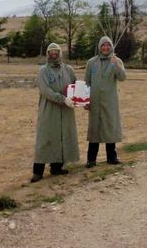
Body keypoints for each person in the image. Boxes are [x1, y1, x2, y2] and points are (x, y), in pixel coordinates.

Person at [30, 42, 79, 183]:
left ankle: (56, 167)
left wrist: (81, 98)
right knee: (45, 138)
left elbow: (75, 86)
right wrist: (62, 99)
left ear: (60, 53)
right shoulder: (43, 71)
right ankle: (37, 171)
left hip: (65, 111)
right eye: (51, 51)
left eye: (56, 51)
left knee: (62, 136)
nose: (54, 54)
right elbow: (46, 91)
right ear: (47, 54)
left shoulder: (68, 70)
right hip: (49, 111)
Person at [84, 35, 126, 167]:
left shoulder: (116, 60)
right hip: (94, 102)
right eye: (103, 45)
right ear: (99, 47)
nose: (106, 47)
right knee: (94, 129)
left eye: (108, 45)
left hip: (110, 102)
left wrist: (117, 65)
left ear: (111, 47)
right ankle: (91, 160)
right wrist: (85, 100)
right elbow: (87, 83)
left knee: (110, 128)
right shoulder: (92, 62)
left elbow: (122, 77)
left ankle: (111, 157)